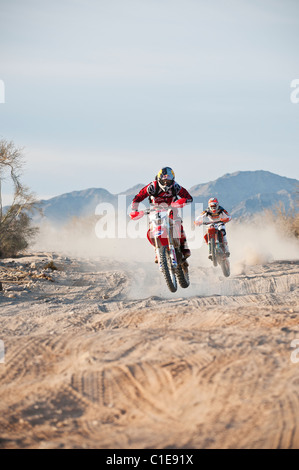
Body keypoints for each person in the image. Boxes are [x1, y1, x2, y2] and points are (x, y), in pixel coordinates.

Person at [130, 167, 193, 262]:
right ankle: (157, 251)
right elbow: (138, 197)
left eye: (168, 181)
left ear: (172, 180)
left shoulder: (176, 187)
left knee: (178, 222)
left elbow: (189, 198)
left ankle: (184, 247)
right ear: (159, 179)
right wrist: (134, 210)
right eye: (164, 181)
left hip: (171, 208)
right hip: (155, 210)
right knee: (152, 227)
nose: (166, 183)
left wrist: (182, 201)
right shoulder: (152, 187)